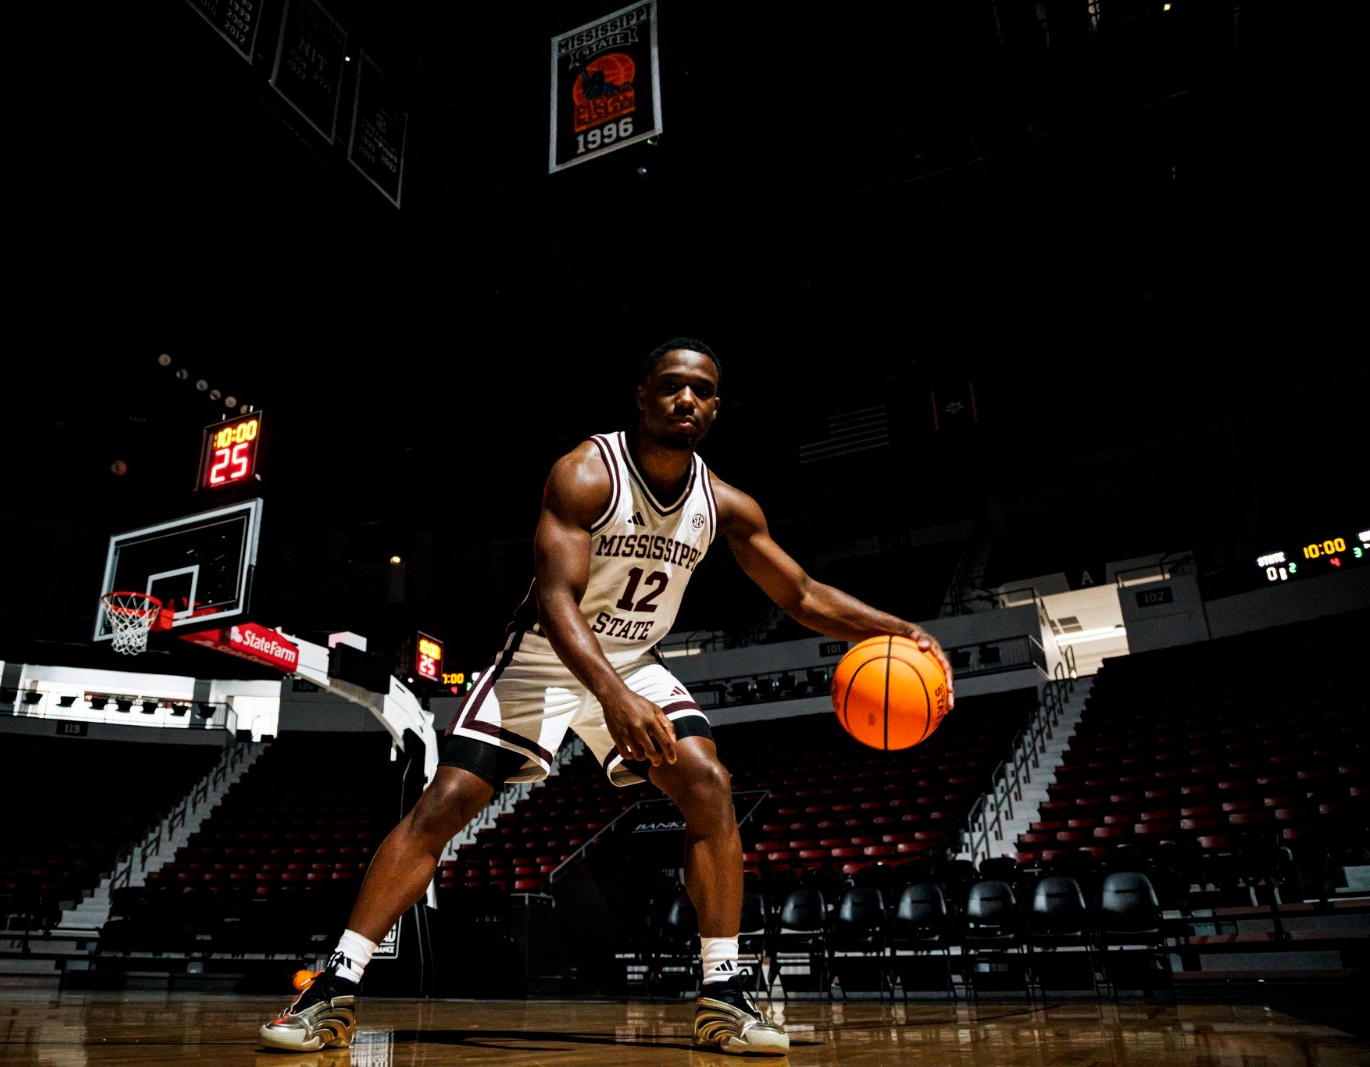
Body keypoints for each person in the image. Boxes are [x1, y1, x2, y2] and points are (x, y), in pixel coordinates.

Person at [258, 337, 955, 1055]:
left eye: (702, 390)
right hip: (544, 654)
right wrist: (611, 696)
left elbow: (801, 593)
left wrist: (901, 629)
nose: (687, 399)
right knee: (446, 804)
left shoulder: (724, 503)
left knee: (709, 784)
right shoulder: (586, 473)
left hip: (631, 659)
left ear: (716, 408)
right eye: (672, 385)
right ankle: (334, 983)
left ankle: (722, 994)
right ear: (643, 396)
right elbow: (556, 600)